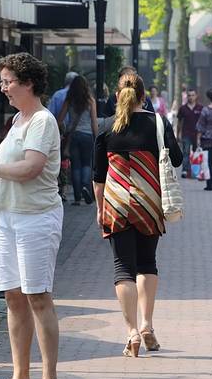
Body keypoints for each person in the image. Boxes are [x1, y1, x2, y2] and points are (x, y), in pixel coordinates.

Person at [0, 53, 64, 379]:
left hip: (35, 217)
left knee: (37, 296)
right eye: (2, 81)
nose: (3, 87)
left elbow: (31, 168)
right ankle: (20, 377)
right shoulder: (17, 120)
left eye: (8, 81)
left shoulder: (42, 121)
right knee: (12, 297)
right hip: (8, 216)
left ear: (28, 83)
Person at [93, 70, 184, 356]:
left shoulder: (106, 126)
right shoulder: (157, 123)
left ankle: (130, 331)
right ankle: (147, 326)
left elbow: (98, 176)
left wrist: (100, 209)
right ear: (143, 96)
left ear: (118, 95)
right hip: (149, 203)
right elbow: (178, 159)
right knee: (147, 264)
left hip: (116, 203)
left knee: (123, 268)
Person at [56, 73, 98, 206]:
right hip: (87, 136)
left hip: (73, 136)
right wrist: (97, 137)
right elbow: (94, 121)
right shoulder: (90, 100)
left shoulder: (69, 100)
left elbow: (60, 119)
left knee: (76, 166)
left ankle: (77, 198)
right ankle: (86, 186)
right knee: (86, 164)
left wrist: (58, 131)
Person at [174, 89, 203, 178]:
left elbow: (203, 122)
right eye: (189, 95)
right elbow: (179, 122)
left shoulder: (200, 108)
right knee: (185, 152)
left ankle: (195, 171)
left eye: (193, 95)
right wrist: (178, 134)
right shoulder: (183, 108)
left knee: (195, 153)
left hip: (197, 134)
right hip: (186, 133)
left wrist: (201, 135)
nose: (191, 97)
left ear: (196, 96)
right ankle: (185, 170)